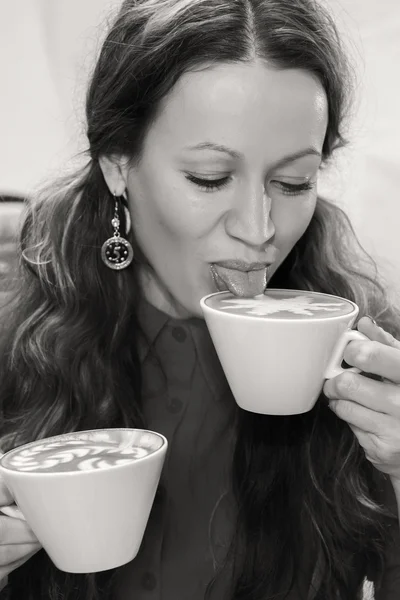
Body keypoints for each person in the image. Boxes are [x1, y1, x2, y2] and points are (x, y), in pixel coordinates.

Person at [1, 0, 400, 598]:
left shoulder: (369, 353)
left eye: (294, 183)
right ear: (117, 165)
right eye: (210, 178)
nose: (259, 229)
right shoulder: (16, 344)